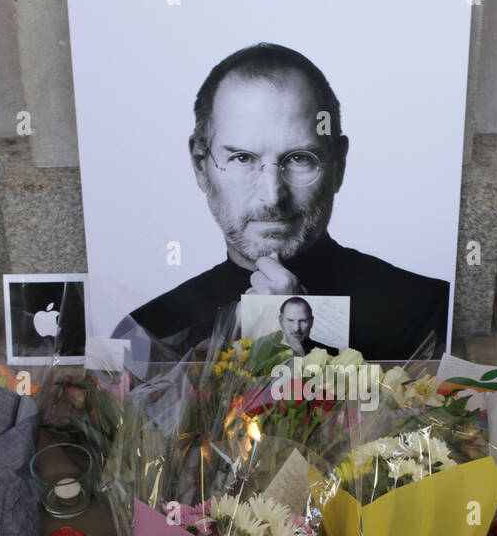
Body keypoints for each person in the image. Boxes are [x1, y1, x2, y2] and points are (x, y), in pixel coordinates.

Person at [113, 43, 449, 359]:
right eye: (243, 159)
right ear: (201, 166)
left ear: (338, 166)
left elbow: (413, 421)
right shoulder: (148, 333)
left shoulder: (422, 308)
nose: (273, 195)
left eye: (300, 158)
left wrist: (300, 340)